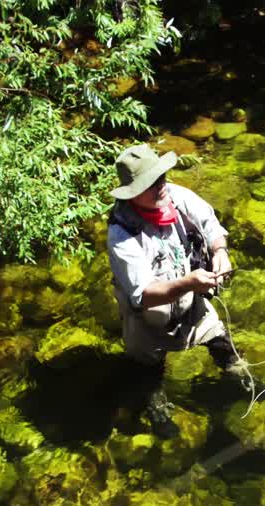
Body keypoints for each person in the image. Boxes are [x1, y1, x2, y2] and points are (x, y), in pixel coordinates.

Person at [106, 144, 250, 437]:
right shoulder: (121, 233)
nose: (161, 186)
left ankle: (242, 375)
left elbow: (211, 226)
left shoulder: (177, 196)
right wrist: (189, 282)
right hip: (148, 314)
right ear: (133, 192)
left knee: (220, 338)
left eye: (160, 178)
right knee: (147, 369)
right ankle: (157, 409)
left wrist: (220, 252)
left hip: (189, 298)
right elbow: (143, 294)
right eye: (150, 184)